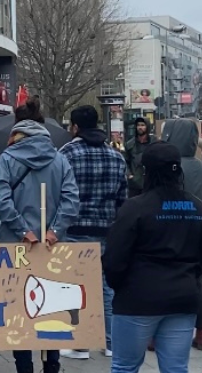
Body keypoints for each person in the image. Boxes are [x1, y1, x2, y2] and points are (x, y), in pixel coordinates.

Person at [104, 142, 202, 373]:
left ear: (146, 171)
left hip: (137, 298)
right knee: (175, 368)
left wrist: (121, 286)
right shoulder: (198, 208)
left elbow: (115, 258)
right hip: (182, 297)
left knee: (125, 367)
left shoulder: (134, 208)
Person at [0, 98, 80, 373]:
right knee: (51, 304)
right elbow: (71, 199)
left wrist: (22, 230)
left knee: (19, 306)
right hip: (52, 247)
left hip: (15, 245)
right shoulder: (59, 159)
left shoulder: (7, 159)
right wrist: (54, 231)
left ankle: (24, 366)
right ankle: (52, 363)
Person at [58, 106, 127, 360]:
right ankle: (110, 343)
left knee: (75, 286)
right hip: (106, 230)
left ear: (75, 127)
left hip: (75, 229)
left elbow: (59, 193)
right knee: (107, 288)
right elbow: (123, 199)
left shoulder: (67, 154)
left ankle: (81, 344)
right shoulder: (116, 156)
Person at [161, 118, 202, 352]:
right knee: (197, 282)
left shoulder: (167, 164)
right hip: (194, 224)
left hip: (166, 225)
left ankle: (156, 335)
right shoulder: (199, 165)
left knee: (159, 280)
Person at [125, 117, 155, 197]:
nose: (140, 127)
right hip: (135, 184)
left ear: (147, 127)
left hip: (151, 182)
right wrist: (129, 175)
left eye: (142, 125)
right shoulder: (129, 144)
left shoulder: (154, 143)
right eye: (138, 125)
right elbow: (125, 162)